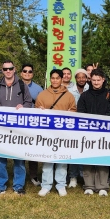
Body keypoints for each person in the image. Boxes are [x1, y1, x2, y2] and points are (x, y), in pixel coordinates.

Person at [0, 61, 33, 195]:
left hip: (18, 128)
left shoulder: (22, 85)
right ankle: (0, 185)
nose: (8, 71)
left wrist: (23, 107)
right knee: (0, 158)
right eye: (5, 69)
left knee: (19, 158)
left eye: (10, 68)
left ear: (15, 69)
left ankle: (18, 186)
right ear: (2, 70)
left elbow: (29, 102)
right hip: (1, 129)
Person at [35, 69, 77, 197]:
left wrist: (71, 113)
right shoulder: (42, 94)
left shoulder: (69, 95)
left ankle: (61, 185)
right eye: (52, 78)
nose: (54, 80)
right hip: (47, 133)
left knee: (61, 160)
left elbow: (74, 111)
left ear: (61, 79)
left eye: (57, 78)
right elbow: (36, 111)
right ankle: (46, 185)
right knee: (47, 159)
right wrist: (40, 110)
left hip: (63, 133)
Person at [77, 68, 110, 196]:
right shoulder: (84, 96)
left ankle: (102, 186)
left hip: (104, 133)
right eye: (93, 80)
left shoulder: (109, 95)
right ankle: (88, 185)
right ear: (90, 80)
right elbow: (81, 112)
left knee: (102, 159)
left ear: (103, 80)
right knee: (88, 158)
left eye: (98, 80)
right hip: (87, 132)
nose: (96, 82)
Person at [19, 63, 43, 185]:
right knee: (19, 150)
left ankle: (34, 176)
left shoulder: (39, 89)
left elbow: (42, 105)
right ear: (21, 73)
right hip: (18, 123)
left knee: (33, 150)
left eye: (30, 71)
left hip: (33, 123)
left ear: (32, 74)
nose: (27, 73)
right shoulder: (14, 86)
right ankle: (20, 175)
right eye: (25, 71)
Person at [67, 68, 90, 187]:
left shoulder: (91, 89)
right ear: (75, 79)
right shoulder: (69, 91)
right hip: (73, 125)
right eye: (79, 77)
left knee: (85, 150)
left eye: (83, 77)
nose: (81, 79)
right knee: (74, 150)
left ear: (87, 78)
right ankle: (73, 176)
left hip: (88, 125)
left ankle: (84, 175)